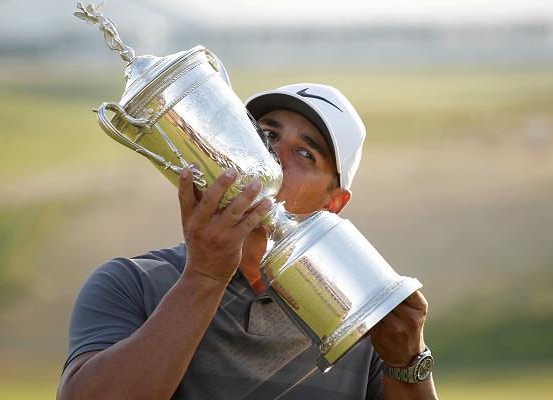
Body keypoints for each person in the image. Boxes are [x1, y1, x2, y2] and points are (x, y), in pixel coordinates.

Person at [57, 83, 438, 399]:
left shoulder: (357, 319)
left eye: (305, 154)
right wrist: (203, 278)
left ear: (333, 203)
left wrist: (408, 364)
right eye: (265, 135)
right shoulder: (132, 282)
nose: (272, 157)